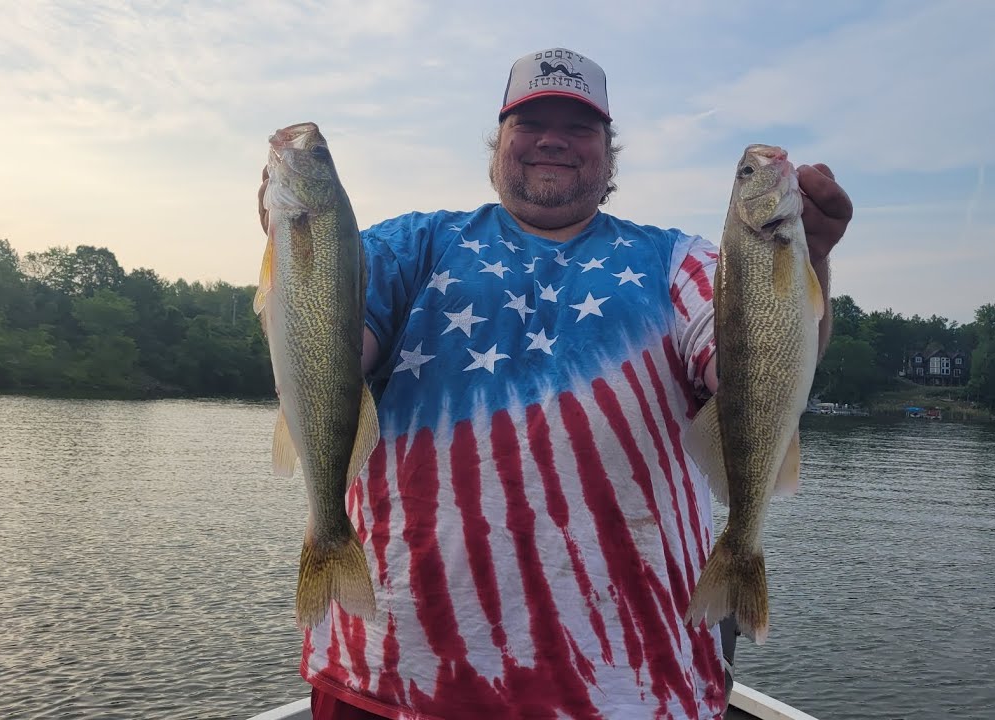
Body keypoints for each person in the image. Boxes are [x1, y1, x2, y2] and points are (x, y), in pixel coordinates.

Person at [258, 47, 852, 720]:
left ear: (608, 154)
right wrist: (293, 253)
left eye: (577, 127)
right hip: (393, 677)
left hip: (631, 690)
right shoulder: (407, 246)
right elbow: (326, 356)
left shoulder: (683, 261)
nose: (551, 140)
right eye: (530, 121)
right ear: (499, 141)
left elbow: (753, 373)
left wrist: (813, 263)